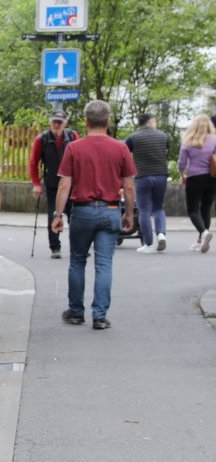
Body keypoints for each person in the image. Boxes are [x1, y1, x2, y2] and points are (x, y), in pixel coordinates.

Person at [52, 99, 136, 330]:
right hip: (111, 210)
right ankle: (99, 316)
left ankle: (76, 312)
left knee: (77, 261)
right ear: (107, 121)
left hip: (82, 211)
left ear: (86, 121)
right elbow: (129, 186)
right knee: (104, 264)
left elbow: (64, 185)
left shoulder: (74, 148)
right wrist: (129, 213)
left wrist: (58, 215)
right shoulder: (121, 148)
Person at [28, 111, 77, 259]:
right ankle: (55, 247)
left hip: (72, 184)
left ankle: (78, 247)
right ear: (50, 122)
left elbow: (81, 158)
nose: (57, 124)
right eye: (54, 121)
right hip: (52, 184)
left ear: (65, 123)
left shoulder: (73, 137)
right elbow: (33, 163)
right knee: (53, 215)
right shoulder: (42, 139)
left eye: (60, 122)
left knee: (75, 216)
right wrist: (36, 183)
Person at [124, 112, 170, 253]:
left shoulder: (133, 137)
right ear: (149, 123)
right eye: (154, 122)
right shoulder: (163, 136)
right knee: (158, 207)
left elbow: (124, 153)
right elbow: (165, 152)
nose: (155, 124)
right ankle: (161, 234)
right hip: (161, 175)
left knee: (144, 210)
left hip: (143, 176)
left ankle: (148, 244)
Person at [176, 115, 215, 253]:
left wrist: (183, 175)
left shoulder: (189, 140)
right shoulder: (214, 139)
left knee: (193, 210)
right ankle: (200, 241)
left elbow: (181, 163)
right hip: (212, 178)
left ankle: (204, 233)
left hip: (195, 178)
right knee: (206, 209)